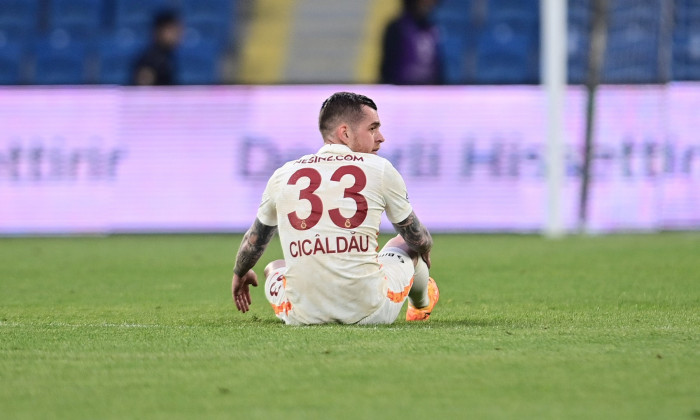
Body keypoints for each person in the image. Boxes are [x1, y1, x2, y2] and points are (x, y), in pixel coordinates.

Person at [230, 92, 439, 325]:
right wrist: (424, 247)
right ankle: (421, 305)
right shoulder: (379, 169)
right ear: (345, 133)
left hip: (301, 316)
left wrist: (240, 272)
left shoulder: (283, 174)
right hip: (370, 312)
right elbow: (419, 238)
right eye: (372, 128)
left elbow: (255, 240)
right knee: (401, 244)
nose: (381, 138)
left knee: (275, 266)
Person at [380, 0, 443, 85]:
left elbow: (439, 67)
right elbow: (387, 67)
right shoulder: (397, 27)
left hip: (429, 91)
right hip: (402, 90)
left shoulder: (434, 28)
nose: (429, 3)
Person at [131, 10, 183, 86]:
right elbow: (142, 91)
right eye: (172, 30)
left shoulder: (168, 56)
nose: (177, 35)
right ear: (159, 31)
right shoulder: (150, 59)